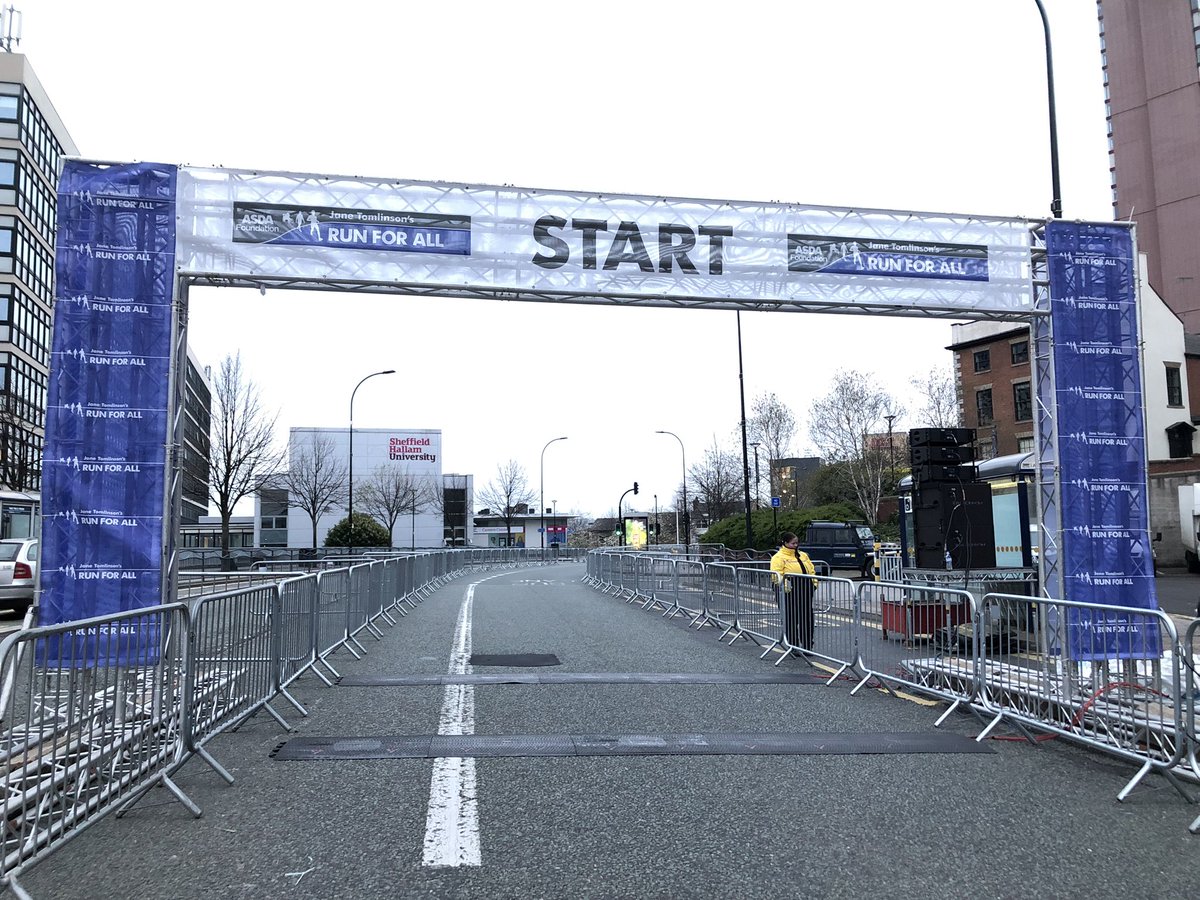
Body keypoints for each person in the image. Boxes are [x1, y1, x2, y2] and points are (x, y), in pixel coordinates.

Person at [770, 532, 818, 650]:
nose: (795, 545)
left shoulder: (803, 555)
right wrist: (785, 586)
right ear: (785, 543)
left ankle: (807, 646)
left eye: (797, 543)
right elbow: (776, 574)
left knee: (807, 618)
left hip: (805, 586)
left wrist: (814, 583)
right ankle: (793, 645)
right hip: (788, 589)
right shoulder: (778, 557)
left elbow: (811, 569)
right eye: (793, 543)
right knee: (791, 618)